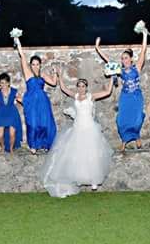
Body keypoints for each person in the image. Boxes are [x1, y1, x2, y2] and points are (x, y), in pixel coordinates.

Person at [39, 70, 114, 198]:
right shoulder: (75, 96)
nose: (80, 88)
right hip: (78, 127)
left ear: (86, 87)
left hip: (90, 128)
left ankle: (94, 180)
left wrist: (113, 76)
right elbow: (63, 88)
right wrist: (59, 75)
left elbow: (107, 92)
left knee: (91, 154)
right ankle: (79, 177)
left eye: (83, 86)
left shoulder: (91, 97)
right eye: (79, 86)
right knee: (78, 153)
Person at [95, 29, 148, 151]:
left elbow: (143, 50)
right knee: (121, 120)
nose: (124, 60)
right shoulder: (120, 70)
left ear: (131, 59)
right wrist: (98, 48)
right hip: (125, 97)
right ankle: (124, 140)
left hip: (136, 97)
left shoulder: (137, 68)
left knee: (137, 118)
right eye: (122, 58)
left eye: (126, 58)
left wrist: (145, 35)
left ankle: (136, 136)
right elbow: (108, 60)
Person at [14, 37, 57, 154]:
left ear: (40, 65)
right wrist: (18, 42)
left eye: (37, 64)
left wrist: (55, 73)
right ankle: (33, 145)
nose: (35, 66)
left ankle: (45, 144)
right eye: (33, 64)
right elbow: (22, 57)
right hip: (31, 101)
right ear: (30, 65)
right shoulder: (28, 73)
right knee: (32, 123)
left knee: (45, 122)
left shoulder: (42, 74)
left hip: (43, 101)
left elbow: (53, 83)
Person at [0, 72, 23, 153]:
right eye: (2, 83)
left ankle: (11, 149)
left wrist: (23, 101)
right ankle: (2, 147)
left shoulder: (14, 91)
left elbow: (21, 99)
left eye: (6, 83)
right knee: (0, 135)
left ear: (9, 83)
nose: (4, 85)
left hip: (12, 113)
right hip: (1, 113)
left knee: (12, 134)